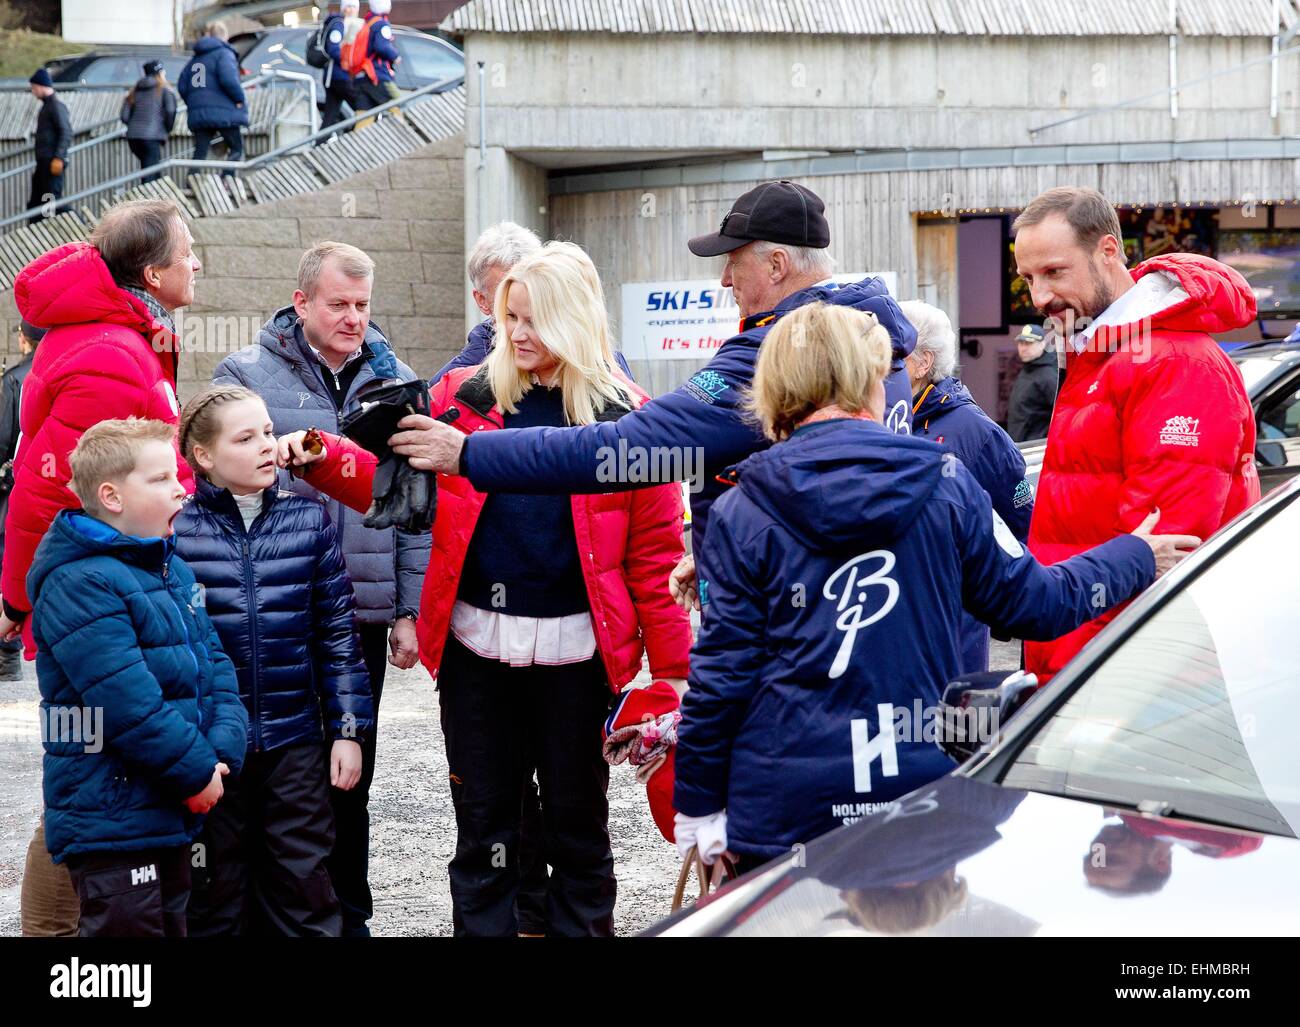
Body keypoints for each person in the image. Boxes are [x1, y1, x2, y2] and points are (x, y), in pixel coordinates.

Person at [671, 301, 1200, 873]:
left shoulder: (738, 509)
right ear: (871, 379)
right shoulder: (947, 482)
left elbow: (721, 679)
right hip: (919, 790)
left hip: (786, 810)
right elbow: (1036, 604)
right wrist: (1133, 556)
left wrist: (697, 811)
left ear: (772, 386)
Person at [281, 241, 693, 936]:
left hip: (581, 661)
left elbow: (655, 557)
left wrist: (675, 672)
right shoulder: (461, 397)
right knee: (484, 834)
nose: (520, 333)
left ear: (575, 321)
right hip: (476, 656)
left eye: (536, 319)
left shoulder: (630, 418)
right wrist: (324, 460)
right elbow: (395, 486)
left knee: (578, 834)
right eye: (512, 316)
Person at [378, 180, 918, 605]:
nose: (726, 281)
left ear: (777, 265)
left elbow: (627, 452)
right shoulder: (873, 341)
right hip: (863, 596)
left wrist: (468, 453)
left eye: (734, 261)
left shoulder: (773, 351)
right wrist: (711, 551)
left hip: (787, 617)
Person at [212, 241, 428, 937]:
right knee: (266, 772)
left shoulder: (397, 381)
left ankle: (346, 916)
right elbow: (215, 487)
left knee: (348, 775)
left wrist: (407, 609)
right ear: (301, 301)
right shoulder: (243, 373)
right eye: (338, 304)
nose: (353, 318)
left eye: (363, 305)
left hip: (359, 613)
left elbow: (415, 508)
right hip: (268, 609)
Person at [5, 197, 201, 937]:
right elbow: (44, 488)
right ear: (152, 273)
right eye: (188, 251)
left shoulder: (116, 335)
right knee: (85, 787)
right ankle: (56, 940)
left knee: (87, 777)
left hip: (91, 597)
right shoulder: (113, 354)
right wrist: (21, 602)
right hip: (95, 606)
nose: (198, 263)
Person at [1012, 186, 1259, 685]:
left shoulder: (1171, 363)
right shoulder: (1102, 349)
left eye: (1055, 272)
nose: (1039, 297)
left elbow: (1165, 554)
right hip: (1083, 659)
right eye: (1028, 279)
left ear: (1107, 252)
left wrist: (1083, 688)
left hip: (1118, 675)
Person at [29, 418, 248, 937]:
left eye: (177, 474)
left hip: (166, 805)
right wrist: (196, 772)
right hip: (111, 812)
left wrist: (221, 751)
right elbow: (126, 702)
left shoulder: (171, 569)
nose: (181, 487)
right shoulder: (79, 582)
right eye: (161, 478)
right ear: (111, 495)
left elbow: (214, 665)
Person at [174, 385, 373, 936]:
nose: (267, 446)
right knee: (214, 888)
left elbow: (338, 638)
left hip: (296, 744)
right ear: (204, 457)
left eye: (267, 431)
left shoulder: (308, 522)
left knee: (303, 880)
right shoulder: (175, 533)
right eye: (245, 438)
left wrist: (348, 731)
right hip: (212, 749)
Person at [901, 300, 1033, 672]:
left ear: (923, 363)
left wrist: (1003, 604)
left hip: (953, 626)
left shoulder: (974, 431)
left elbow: (1019, 523)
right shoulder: (879, 416)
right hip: (894, 619)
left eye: (895, 354)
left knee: (956, 727)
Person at [0, 319, 43, 680]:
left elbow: (1, 440)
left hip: (17, 490)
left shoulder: (14, 379)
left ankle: (7, 651)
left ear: (22, 339)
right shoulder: (66, 371)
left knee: (10, 560)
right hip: (62, 490)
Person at [179, 21, 247, 179]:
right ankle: (227, 179)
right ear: (225, 36)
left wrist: (194, 102)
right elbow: (229, 79)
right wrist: (239, 98)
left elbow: (182, 86)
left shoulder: (195, 59)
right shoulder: (223, 53)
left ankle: (191, 181)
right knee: (236, 148)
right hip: (223, 112)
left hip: (199, 113)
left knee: (200, 153)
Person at [120, 60, 178, 184]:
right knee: (150, 174)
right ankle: (148, 201)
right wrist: (166, 129)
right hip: (151, 137)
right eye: (163, 72)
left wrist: (135, 126)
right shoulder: (164, 90)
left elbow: (124, 116)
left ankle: (155, 198)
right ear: (160, 73)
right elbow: (171, 111)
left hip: (133, 137)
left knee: (150, 168)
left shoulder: (134, 91)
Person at [26, 68, 71, 222]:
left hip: (52, 162)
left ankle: (79, 224)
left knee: (53, 200)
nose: (33, 91)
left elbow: (66, 132)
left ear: (40, 86)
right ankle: (33, 232)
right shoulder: (47, 106)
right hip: (44, 163)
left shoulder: (56, 106)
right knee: (37, 203)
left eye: (34, 88)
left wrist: (58, 157)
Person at [347, 0, 402, 119]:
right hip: (377, 76)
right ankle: (407, 136)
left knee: (364, 117)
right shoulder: (382, 24)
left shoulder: (367, 23)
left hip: (360, 76)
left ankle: (359, 137)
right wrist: (395, 56)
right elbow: (382, 46)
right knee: (400, 106)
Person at [1006, 323, 1057, 442]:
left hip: (1036, 449)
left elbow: (1062, 414)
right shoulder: (1028, 368)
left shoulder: (1048, 375)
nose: (1023, 348)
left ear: (1042, 344)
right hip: (1021, 445)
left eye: (1029, 343)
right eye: (1021, 343)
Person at [318, 2, 359, 138]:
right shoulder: (338, 24)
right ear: (343, 9)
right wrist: (350, 61)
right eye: (349, 6)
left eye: (354, 7)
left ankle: (319, 146)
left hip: (334, 77)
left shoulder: (343, 24)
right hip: (339, 76)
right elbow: (334, 49)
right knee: (362, 107)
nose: (351, 10)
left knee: (330, 116)